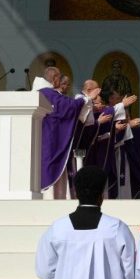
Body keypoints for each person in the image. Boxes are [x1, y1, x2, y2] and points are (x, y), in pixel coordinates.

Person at [34, 67, 96, 198]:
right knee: (49, 170)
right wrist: (86, 99)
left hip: (47, 139)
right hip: (50, 141)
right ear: (55, 78)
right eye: (59, 77)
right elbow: (68, 107)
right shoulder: (48, 93)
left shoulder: (45, 93)